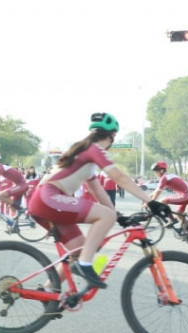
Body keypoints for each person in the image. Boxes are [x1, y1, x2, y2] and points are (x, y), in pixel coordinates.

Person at [27, 112, 165, 291]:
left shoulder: (86, 156)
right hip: (48, 198)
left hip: (46, 201)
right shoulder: (94, 149)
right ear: (112, 135)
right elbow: (119, 177)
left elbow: (98, 191)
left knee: (80, 249)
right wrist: (150, 201)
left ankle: (47, 290)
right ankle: (85, 265)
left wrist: (116, 216)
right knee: (90, 245)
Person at [149, 161, 188, 231]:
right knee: (179, 214)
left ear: (161, 171)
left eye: (156, 171)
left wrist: (151, 203)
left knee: (162, 201)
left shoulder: (164, 178)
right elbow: (156, 191)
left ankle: (172, 219)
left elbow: (158, 191)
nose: (155, 173)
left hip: (187, 195)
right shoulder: (168, 176)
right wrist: (147, 198)